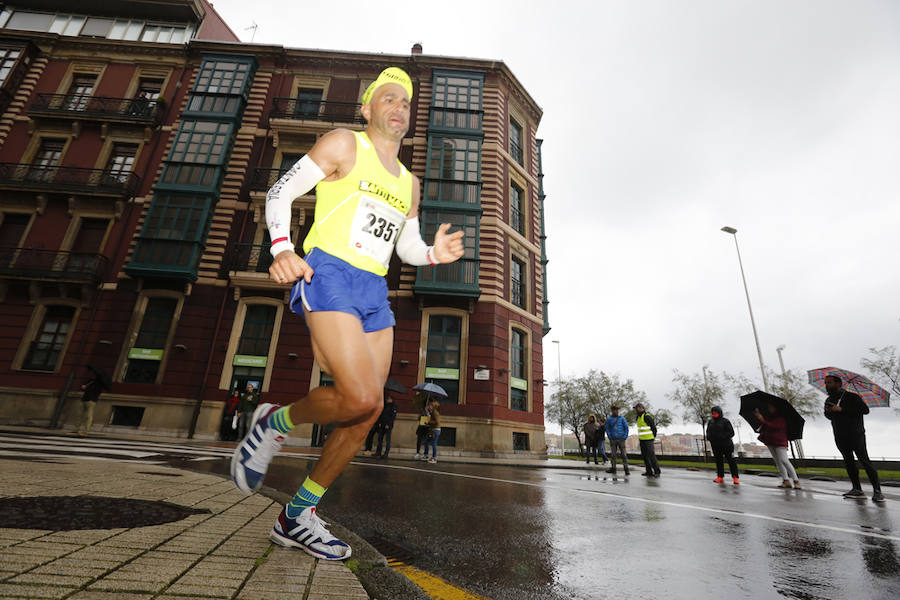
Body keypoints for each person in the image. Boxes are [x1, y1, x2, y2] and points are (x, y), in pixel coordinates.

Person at [230, 67, 464, 561]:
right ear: (368, 108)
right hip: (329, 273)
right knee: (358, 393)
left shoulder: (410, 183)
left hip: (373, 290)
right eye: (388, 98)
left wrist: (433, 255)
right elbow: (279, 193)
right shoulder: (343, 144)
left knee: (368, 408)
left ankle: (296, 516)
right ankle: (274, 422)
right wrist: (280, 248)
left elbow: (407, 246)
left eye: (406, 102)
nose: (399, 107)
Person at [823, 374, 884, 502]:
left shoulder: (853, 397)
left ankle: (877, 491)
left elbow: (865, 410)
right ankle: (857, 488)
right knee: (848, 461)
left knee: (864, 460)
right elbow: (830, 417)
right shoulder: (830, 399)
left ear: (839, 384)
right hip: (839, 435)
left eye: (829, 382)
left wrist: (841, 409)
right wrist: (828, 412)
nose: (827, 385)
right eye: (826, 383)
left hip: (856, 434)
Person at [754, 403, 800, 489]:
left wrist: (763, 420)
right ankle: (785, 480)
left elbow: (775, 427)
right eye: (769, 407)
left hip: (780, 442)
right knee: (778, 462)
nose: (769, 408)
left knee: (784, 460)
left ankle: (796, 480)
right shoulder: (769, 417)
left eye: (771, 406)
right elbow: (766, 426)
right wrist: (759, 419)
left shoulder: (781, 418)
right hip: (770, 441)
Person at [706, 405, 739, 484]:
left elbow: (731, 433)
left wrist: (722, 436)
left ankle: (735, 477)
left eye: (715, 412)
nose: (714, 414)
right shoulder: (711, 422)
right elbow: (708, 432)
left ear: (719, 412)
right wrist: (709, 438)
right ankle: (720, 477)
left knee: (731, 461)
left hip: (727, 445)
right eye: (712, 412)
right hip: (716, 446)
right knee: (718, 461)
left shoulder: (725, 421)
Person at [634, 403, 661, 478]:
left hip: (649, 440)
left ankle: (657, 471)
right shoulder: (638, 417)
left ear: (641, 408)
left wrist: (653, 437)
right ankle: (649, 471)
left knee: (651, 456)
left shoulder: (647, 416)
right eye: (636, 408)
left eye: (637, 408)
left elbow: (653, 428)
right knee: (645, 456)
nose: (636, 410)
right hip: (642, 440)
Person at [605, 405, 630, 476]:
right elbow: (607, 429)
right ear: (612, 411)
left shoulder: (622, 418)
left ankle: (626, 469)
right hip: (613, 439)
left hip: (621, 439)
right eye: (615, 410)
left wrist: (624, 437)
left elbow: (626, 428)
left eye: (617, 410)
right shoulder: (609, 419)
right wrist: (610, 436)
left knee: (624, 455)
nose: (616, 411)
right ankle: (613, 468)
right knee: (613, 455)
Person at [424, 399, 442, 464]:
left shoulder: (435, 413)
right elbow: (431, 417)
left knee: (434, 444)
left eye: (430, 405)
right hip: (434, 429)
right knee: (427, 442)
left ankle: (434, 458)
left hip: (435, 430)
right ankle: (426, 455)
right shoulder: (433, 412)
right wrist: (427, 411)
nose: (429, 406)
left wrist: (428, 422)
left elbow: (437, 422)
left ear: (433, 406)